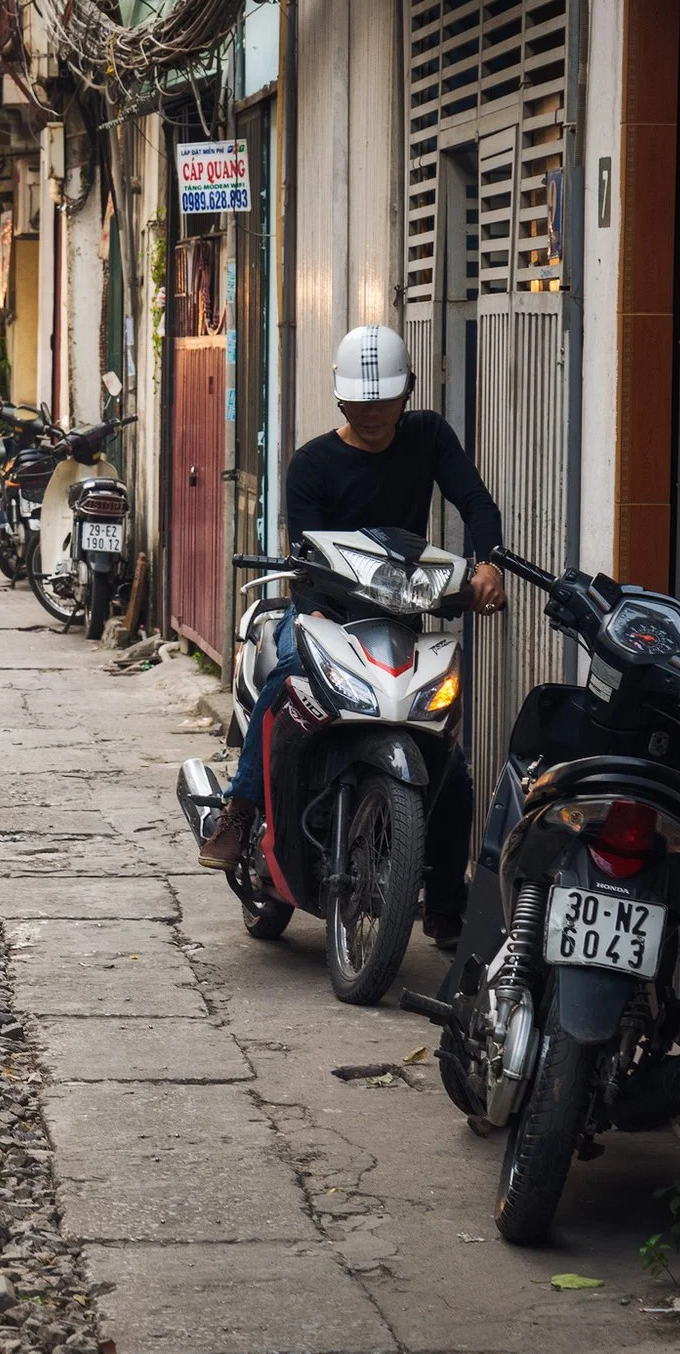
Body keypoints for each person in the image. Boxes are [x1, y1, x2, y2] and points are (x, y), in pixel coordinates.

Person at [197, 325, 508, 945]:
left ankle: (446, 902)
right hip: (321, 614)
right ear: (340, 399)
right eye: (361, 402)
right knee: (286, 681)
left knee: (449, 760)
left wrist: (488, 564)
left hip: (399, 621)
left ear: (408, 393)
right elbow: (305, 551)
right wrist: (313, 600)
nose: (373, 413)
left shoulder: (429, 437)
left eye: (385, 400)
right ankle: (240, 809)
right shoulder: (311, 464)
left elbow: (476, 502)